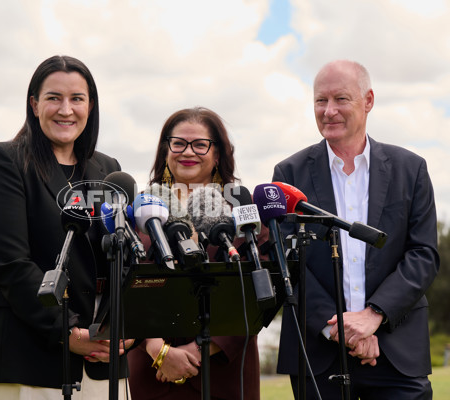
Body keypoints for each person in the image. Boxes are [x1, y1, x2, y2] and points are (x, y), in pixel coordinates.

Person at [273, 60, 439, 399]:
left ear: (369, 100)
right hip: (317, 354)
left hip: (397, 350)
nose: (329, 110)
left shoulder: (411, 169)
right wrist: (340, 330)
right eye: (321, 100)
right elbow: (285, 261)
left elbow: (423, 255)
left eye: (341, 99)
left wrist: (374, 316)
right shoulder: (288, 173)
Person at [0, 55, 132, 400]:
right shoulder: (4, 161)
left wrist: (129, 329)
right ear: (34, 104)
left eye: (77, 99)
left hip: (102, 366)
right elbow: (9, 264)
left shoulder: (109, 169)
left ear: (91, 106)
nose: (66, 110)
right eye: (54, 97)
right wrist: (69, 332)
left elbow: (124, 257)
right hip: (26, 361)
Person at [127, 107, 261, 400]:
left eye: (200, 144)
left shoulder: (242, 209)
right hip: (151, 373)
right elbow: (124, 287)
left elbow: (257, 292)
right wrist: (157, 348)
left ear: (218, 154)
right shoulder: (138, 211)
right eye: (178, 143)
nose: (188, 151)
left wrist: (197, 349)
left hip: (223, 374)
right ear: (166, 150)